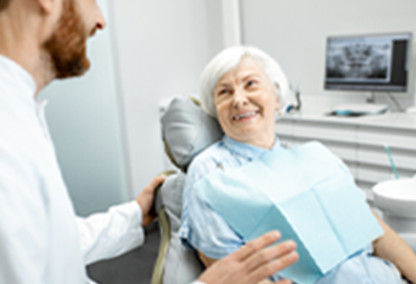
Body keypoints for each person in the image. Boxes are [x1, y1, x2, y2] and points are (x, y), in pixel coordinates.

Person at [0, 0, 299, 283]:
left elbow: (47, 243)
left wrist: (131, 216)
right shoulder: (8, 135)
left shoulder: (18, 111)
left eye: (251, 84)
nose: (100, 20)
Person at [178, 45, 416, 283]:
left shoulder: (316, 157)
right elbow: (227, 270)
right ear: (215, 109)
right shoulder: (211, 170)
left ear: (278, 98)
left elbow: (375, 231)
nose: (239, 100)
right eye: (224, 92)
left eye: (250, 84)